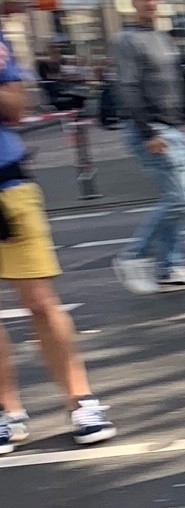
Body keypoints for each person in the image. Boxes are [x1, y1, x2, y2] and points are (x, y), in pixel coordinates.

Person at [0, 35, 114, 449]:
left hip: (7, 184)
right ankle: (7, 413)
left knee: (40, 301)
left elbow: (15, 105)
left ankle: (80, 400)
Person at [110, 0, 185, 296]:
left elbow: (177, 83)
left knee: (184, 200)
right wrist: (146, 133)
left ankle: (169, 268)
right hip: (152, 129)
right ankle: (132, 257)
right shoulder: (126, 41)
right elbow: (127, 89)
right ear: (133, 3)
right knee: (176, 198)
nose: (150, 3)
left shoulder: (163, 39)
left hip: (175, 127)